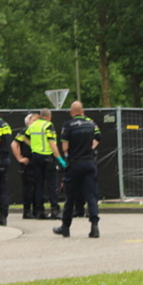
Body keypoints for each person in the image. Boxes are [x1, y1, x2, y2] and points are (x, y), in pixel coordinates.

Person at [53, 101, 102, 239]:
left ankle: (65, 227)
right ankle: (94, 226)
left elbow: (65, 148)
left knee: (70, 197)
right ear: (82, 111)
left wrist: (69, 155)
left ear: (71, 112)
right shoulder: (91, 123)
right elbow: (98, 137)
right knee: (91, 196)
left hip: (75, 164)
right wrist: (89, 148)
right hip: (89, 163)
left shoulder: (68, 125)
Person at [26, 108, 66, 220]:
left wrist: (33, 146)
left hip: (36, 156)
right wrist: (60, 159)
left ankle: (39, 211)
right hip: (48, 156)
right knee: (51, 185)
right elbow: (52, 143)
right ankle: (54, 210)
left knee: (39, 185)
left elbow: (24, 136)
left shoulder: (33, 125)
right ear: (49, 116)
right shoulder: (48, 125)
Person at [12, 113, 36, 219]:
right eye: (32, 120)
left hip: (37, 162)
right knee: (28, 187)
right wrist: (19, 158)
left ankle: (37, 210)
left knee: (37, 187)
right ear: (27, 122)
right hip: (28, 162)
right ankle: (27, 211)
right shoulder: (24, 132)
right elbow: (14, 144)